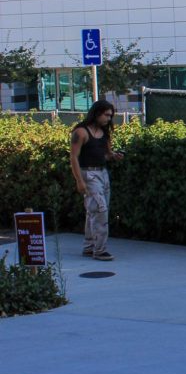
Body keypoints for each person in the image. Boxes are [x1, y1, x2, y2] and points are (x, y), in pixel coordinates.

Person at [70, 100, 123, 262]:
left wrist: (113, 156)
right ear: (97, 113)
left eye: (111, 115)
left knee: (94, 211)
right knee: (100, 211)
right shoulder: (81, 132)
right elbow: (73, 157)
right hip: (89, 174)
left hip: (102, 173)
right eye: (106, 115)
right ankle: (99, 250)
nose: (109, 118)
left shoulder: (104, 133)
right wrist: (79, 180)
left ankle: (89, 247)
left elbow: (105, 154)